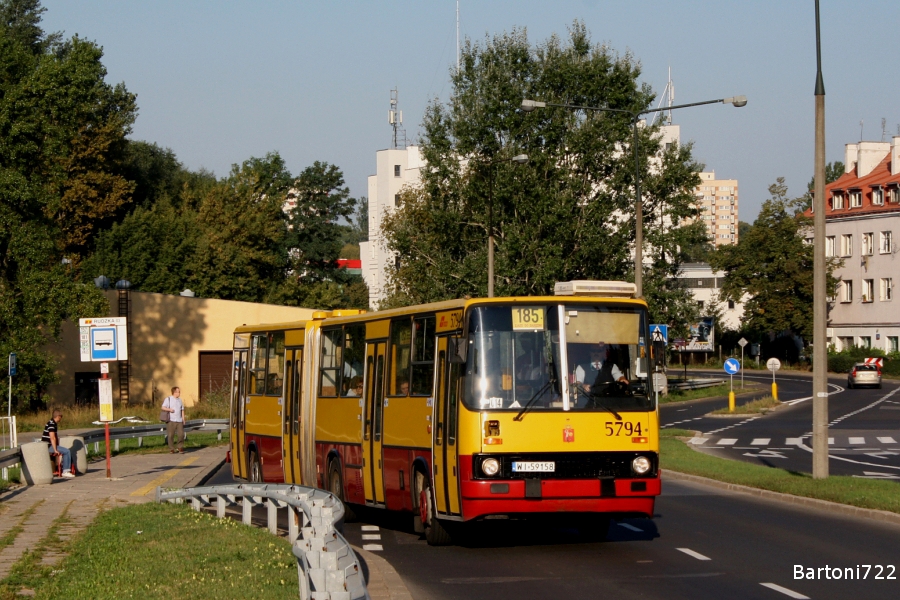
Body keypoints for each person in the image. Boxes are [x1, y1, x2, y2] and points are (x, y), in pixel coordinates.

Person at [42, 409, 74, 478]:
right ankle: (65, 471)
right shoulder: (51, 424)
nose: (61, 419)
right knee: (67, 451)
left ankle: (64, 467)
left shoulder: (52, 423)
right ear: (58, 416)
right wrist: (55, 449)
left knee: (65, 450)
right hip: (48, 446)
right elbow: (52, 438)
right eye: (61, 417)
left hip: (49, 445)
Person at [162, 387, 185, 453]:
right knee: (171, 435)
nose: (179, 393)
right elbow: (163, 407)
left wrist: (183, 419)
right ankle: (171, 448)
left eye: (179, 391)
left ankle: (180, 447)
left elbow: (182, 410)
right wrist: (169, 409)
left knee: (181, 434)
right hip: (171, 420)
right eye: (178, 392)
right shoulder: (168, 399)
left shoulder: (180, 400)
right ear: (174, 392)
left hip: (179, 420)